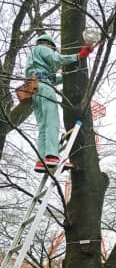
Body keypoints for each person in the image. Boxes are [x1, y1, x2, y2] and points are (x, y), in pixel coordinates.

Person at [25, 34, 93, 172]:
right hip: (43, 87)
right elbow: (56, 59)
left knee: (43, 126)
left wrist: (67, 76)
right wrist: (78, 56)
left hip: (33, 89)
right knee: (52, 121)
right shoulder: (42, 48)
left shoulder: (34, 59)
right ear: (48, 44)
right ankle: (51, 156)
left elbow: (52, 78)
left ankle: (42, 160)